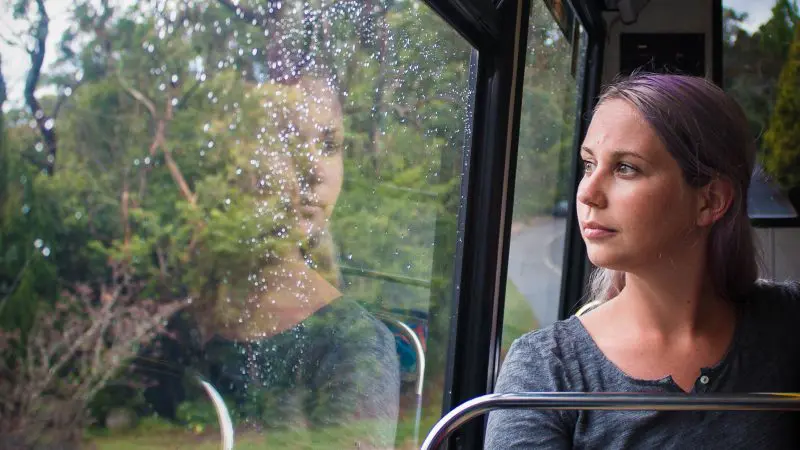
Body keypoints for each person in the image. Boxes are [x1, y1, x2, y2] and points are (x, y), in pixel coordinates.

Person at [485, 73, 800, 448]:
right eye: (588, 164)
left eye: (625, 168)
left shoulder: (788, 323)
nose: (587, 193)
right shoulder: (544, 370)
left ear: (710, 200)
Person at [147, 69, 401, 449]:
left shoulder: (356, 345)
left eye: (329, 145)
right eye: (287, 140)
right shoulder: (177, 323)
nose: (315, 170)